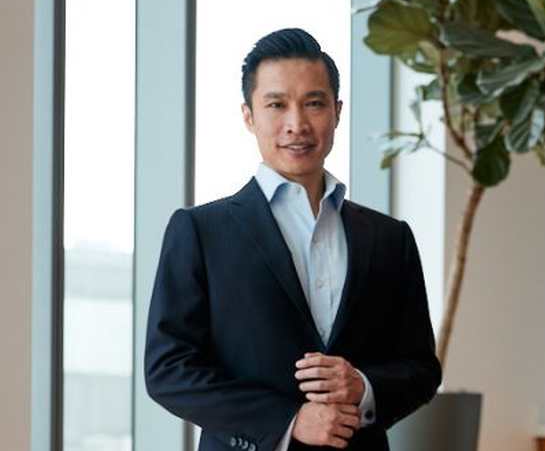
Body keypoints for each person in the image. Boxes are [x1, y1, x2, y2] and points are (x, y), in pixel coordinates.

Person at [145, 28, 441, 451]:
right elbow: (169, 371)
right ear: (249, 116)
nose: (297, 124)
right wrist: (287, 421)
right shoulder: (200, 232)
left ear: (337, 112)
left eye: (314, 103)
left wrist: (363, 386)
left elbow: (421, 370)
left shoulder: (390, 239)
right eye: (276, 105)